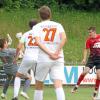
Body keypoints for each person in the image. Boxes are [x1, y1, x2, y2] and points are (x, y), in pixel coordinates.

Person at [32, 6, 67, 100]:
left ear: (40, 16)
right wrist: (56, 52)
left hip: (43, 58)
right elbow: (64, 38)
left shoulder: (36, 27)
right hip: (58, 58)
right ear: (50, 14)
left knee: (39, 85)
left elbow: (38, 42)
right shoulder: (58, 25)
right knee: (58, 85)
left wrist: (50, 53)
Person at [12, 20, 38, 100]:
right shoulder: (41, 34)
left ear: (29, 26)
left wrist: (16, 57)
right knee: (39, 79)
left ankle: (15, 96)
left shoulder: (26, 34)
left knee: (18, 76)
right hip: (38, 58)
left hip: (28, 57)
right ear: (37, 25)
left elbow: (19, 47)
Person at [71, 27, 100, 100]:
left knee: (99, 76)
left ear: (94, 32)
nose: (89, 34)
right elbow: (85, 50)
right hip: (92, 59)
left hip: (99, 60)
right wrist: (84, 58)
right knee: (85, 72)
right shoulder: (88, 40)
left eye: (90, 32)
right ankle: (76, 86)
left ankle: (95, 92)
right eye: (89, 32)